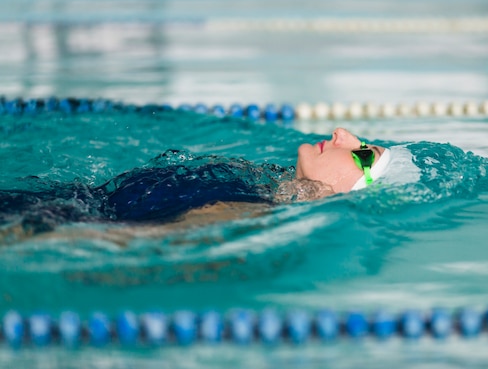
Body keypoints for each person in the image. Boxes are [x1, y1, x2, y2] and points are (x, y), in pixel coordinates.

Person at [0, 128, 393, 239]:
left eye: (362, 154)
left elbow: (124, 242)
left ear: (350, 191)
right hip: (54, 202)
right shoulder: (260, 183)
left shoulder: (250, 215)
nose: (343, 134)